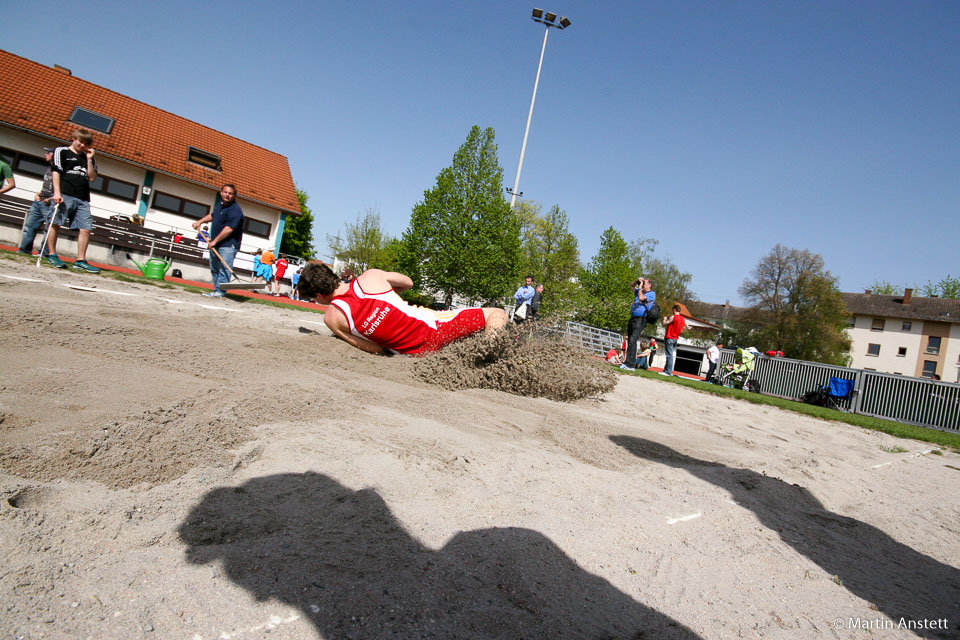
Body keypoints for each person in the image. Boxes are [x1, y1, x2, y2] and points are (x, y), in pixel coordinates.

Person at [297, 263, 507, 356]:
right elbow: (408, 282)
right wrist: (390, 292)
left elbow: (376, 348)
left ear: (318, 296)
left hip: (412, 354)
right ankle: (488, 352)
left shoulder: (332, 318)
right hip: (438, 330)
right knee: (497, 313)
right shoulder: (371, 276)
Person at [45, 129, 101, 272]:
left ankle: (80, 260)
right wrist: (57, 192)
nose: (82, 146)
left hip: (82, 198)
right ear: (74, 139)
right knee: (55, 223)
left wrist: (89, 159)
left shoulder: (89, 157)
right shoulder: (61, 151)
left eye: (86, 144)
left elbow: (92, 177)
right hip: (65, 193)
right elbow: (55, 171)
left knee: (86, 229)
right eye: (80, 142)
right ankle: (51, 254)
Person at [191, 184, 244, 298]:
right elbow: (213, 216)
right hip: (215, 243)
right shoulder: (220, 205)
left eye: (230, 193)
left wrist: (214, 241)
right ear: (221, 192)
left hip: (229, 245)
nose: (227, 195)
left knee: (224, 268)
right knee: (214, 267)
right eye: (225, 192)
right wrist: (199, 222)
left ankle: (220, 292)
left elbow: (229, 228)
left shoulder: (236, 210)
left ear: (234, 195)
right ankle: (216, 290)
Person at [17, 147, 55, 256]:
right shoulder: (49, 168)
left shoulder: (61, 171)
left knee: (49, 230)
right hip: (39, 202)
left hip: (50, 204)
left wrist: (51, 199)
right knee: (29, 226)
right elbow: (48, 185)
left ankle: (44, 253)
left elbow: (62, 188)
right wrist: (38, 193)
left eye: (48, 153)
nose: (45, 154)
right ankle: (24, 250)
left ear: (53, 155)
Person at [620, 278, 656, 371]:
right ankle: (627, 362)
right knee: (629, 340)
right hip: (633, 318)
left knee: (633, 340)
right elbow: (631, 286)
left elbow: (641, 298)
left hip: (640, 320)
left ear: (649, 285)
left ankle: (630, 364)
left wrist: (640, 288)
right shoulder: (639, 291)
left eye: (644, 283)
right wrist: (637, 281)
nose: (642, 284)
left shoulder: (651, 294)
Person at [660, 304, 687, 376]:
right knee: (670, 355)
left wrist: (665, 319)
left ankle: (668, 371)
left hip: (669, 337)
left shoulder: (673, 317)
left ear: (674, 309)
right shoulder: (682, 319)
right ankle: (666, 370)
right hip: (675, 338)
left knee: (669, 355)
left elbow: (664, 323)